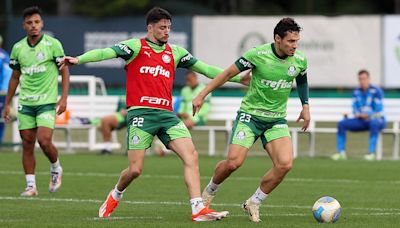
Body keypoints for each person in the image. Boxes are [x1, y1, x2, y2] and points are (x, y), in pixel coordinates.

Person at [59, 7, 250, 221]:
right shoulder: (135, 47)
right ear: (150, 28)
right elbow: (105, 53)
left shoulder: (176, 52)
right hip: (141, 115)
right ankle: (116, 194)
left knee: (191, 155)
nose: (167, 31)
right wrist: (79, 59)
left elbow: (205, 69)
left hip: (167, 115)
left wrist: (237, 78)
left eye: (169, 27)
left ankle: (198, 209)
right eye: (162, 27)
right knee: (135, 170)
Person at [192, 17, 309, 222]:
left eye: (297, 41)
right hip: (250, 116)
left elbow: (302, 81)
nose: (295, 46)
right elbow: (228, 73)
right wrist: (202, 94)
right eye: (291, 41)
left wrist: (305, 107)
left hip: (275, 120)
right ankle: (208, 192)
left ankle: (254, 202)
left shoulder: (299, 60)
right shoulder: (258, 54)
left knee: (285, 164)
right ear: (277, 39)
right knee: (233, 163)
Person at [2, 6, 70, 196]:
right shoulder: (18, 48)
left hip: (47, 102)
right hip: (25, 103)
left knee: (44, 141)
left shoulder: (53, 44)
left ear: (42, 24)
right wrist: (7, 103)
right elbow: (15, 77)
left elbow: (64, 71)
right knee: (27, 143)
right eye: (30, 23)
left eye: (37, 22)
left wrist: (63, 98)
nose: (34, 26)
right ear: (24, 25)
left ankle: (56, 168)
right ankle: (31, 185)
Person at [331, 70, 386, 161]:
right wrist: (357, 114)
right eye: (360, 79)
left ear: (368, 79)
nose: (362, 81)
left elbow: (379, 110)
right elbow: (355, 107)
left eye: (364, 79)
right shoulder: (356, 91)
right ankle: (341, 152)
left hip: (377, 120)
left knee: (374, 123)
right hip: (361, 120)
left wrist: (368, 115)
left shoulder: (376, 91)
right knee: (342, 123)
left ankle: (371, 153)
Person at [0, 34, 12, 144]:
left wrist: (4, 89)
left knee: (1, 118)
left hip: (1, 93)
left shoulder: (3, 56)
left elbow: (8, 73)